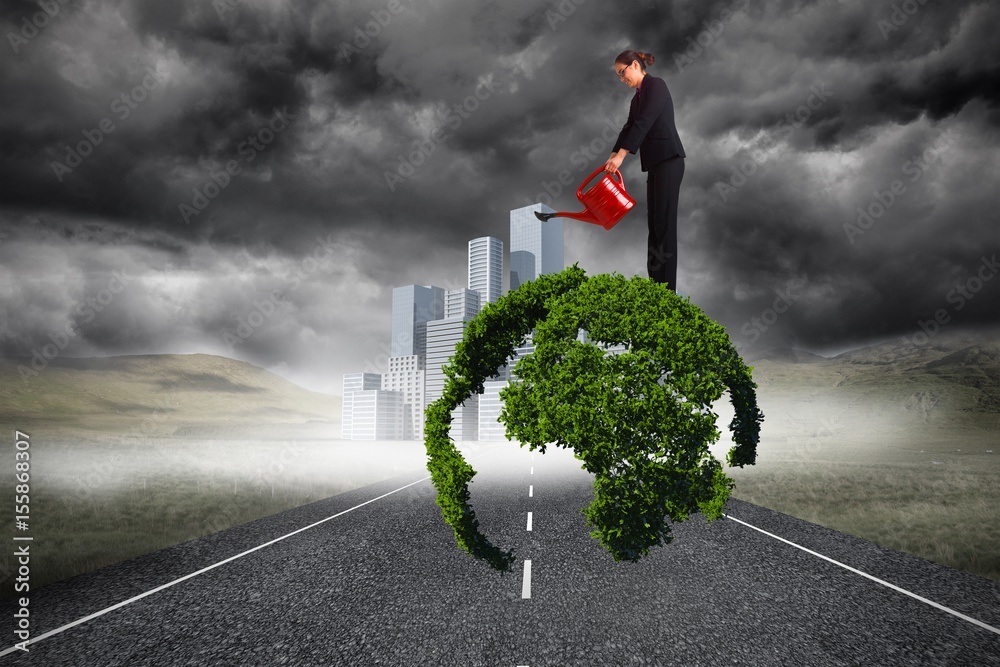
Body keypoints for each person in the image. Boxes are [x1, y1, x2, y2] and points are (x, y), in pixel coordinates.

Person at [604, 49, 686, 291]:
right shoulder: (636, 98)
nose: (622, 79)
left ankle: (667, 292)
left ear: (635, 65)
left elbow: (645, 122)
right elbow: (629, 127)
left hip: (669, 161)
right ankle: (654, 289)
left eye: (622, 73)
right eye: (618, 76)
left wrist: (621, 156)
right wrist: (610, 157)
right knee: (654, 226)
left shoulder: (656, 86)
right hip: (654, 165)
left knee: (665, 226)